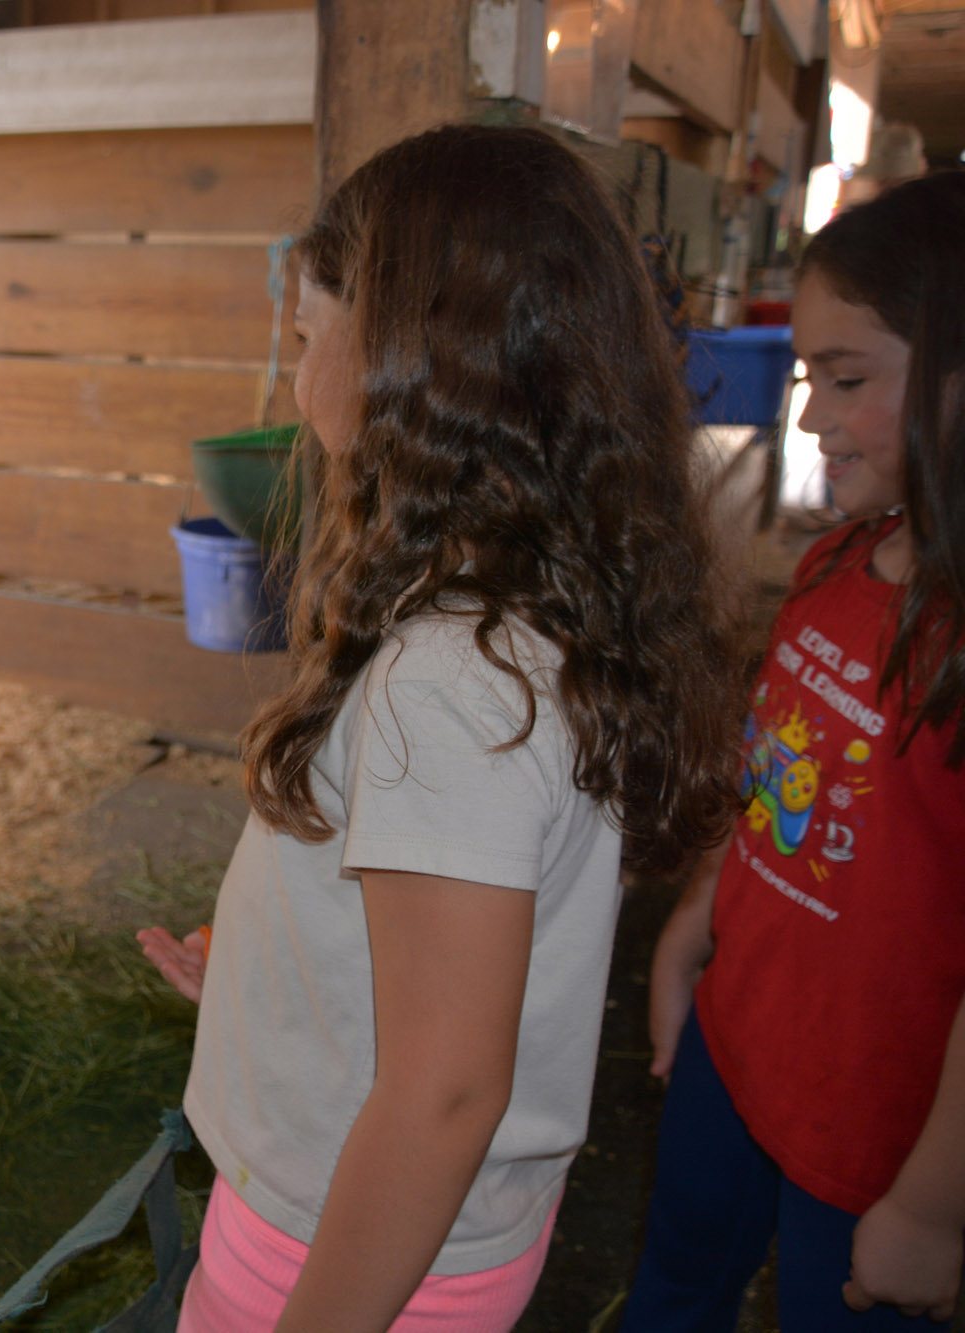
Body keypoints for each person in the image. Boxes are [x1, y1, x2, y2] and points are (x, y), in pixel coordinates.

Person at [137, 123, 743, 1331]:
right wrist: (278, 978)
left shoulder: (448, 682)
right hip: (419, 1228)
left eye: (307, 336)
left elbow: (446, 1092)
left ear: (406, 367)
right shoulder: (534, 611)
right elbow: (459, 958)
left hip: (347, 1252)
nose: (297, 376)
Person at [624, 172, 965, 1330]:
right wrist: (693, 920)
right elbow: (768, 773)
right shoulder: (829, 570)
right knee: (673, 1286)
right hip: (736, 1042)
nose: (810, 414)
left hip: (879, 1138)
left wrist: (929, 1210)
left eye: (846, 378)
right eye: (809, 376)